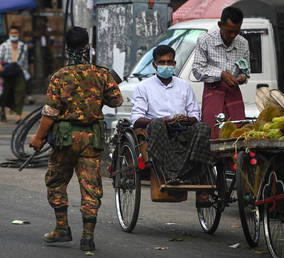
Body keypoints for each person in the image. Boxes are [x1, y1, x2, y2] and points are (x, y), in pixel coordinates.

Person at [29, 27, 122, 251]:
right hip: (92, 138)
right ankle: (87, 236)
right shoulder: (102, 74)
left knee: (56, 181)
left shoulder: (59, 76)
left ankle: (62, 228)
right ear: (87, 47)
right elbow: (116, 101)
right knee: (90, 187)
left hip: (65, 139)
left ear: (67, 48)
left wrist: (38, 138)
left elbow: (50, 111)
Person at [131, 45, 212, 204]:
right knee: (157, 124)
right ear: (155, 65)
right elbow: (137, 118)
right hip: (158, 132)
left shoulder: (184, 86)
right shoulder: (143, 87)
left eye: (170, 62)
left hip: (182, 130)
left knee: (203, 127)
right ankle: (169, 174)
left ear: (174, 64)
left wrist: (188, 119)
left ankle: (193, 171)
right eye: (162, 62)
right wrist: (162, 120)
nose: (166, 66)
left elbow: (195, 113)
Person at [192, 7, 250, 137]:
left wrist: (241, 78)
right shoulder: (205, 40)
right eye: (229, 31)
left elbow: (245, 72)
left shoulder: (243, 43)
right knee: (212, 133)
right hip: (213, 92)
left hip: (233, 92)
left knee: (238, 133)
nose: (233, 35)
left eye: (236, 31)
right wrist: (221, 74)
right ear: (220, 25)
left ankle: (237, 158)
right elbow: (197, 70)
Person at [0, 26, 29, 123]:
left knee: (20, 92)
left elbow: (25, 61)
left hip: (19, 71)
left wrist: (26, 72)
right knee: (6, 92)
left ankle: (18, 115)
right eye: (12, 33)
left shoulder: (23, 46)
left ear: (18, 34)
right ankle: (2, 110)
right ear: (9, 34)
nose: (14, 35)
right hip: (8, 71)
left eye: (15, 33)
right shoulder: (4, 45)